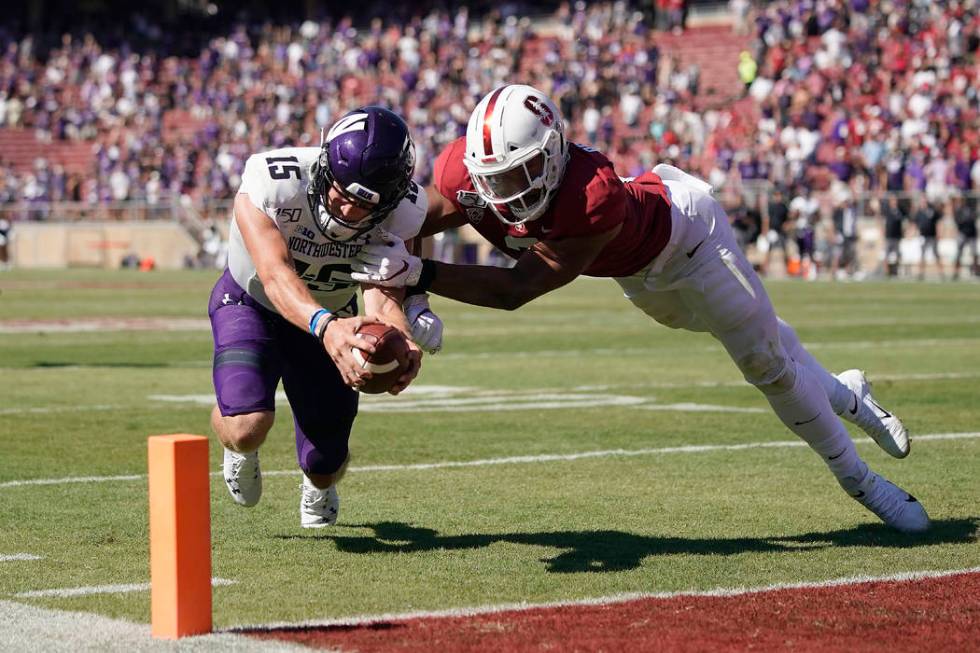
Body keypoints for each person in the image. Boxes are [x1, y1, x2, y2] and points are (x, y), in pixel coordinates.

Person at [352, 84, 929, 533]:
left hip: (692, 242)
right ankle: (849, 394)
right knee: (764, 342)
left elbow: (515, 288)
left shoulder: (590, 195)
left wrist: (420, 273)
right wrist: (415, 294)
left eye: (522, 172)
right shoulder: (464, 172)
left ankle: (859, 481)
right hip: (637, 278)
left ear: (553, 152)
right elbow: (415, 222)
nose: (507, 193)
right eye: (496, 178)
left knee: (765, 365)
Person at [210, 106, 443, 528]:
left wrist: (398, 337)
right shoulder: (270, 181)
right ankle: (238, 448)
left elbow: (384, 292)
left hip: (338, 315)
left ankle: (318, 485)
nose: (345, 209)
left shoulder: (405, 212)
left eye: (362, 203)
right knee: (246, 424)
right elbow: (276, 276)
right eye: (339, 190)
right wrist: (325, 327)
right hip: (251, 303)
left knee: (325, 461)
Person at [952, 196, 978, 280]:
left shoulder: (971, 209)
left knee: (974, 254)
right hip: (962, 234)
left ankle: (976, 271)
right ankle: (956, 272)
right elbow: (958, 221)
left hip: (972, 234)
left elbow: (973, 219)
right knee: (959, 254)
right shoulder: (958, 211)